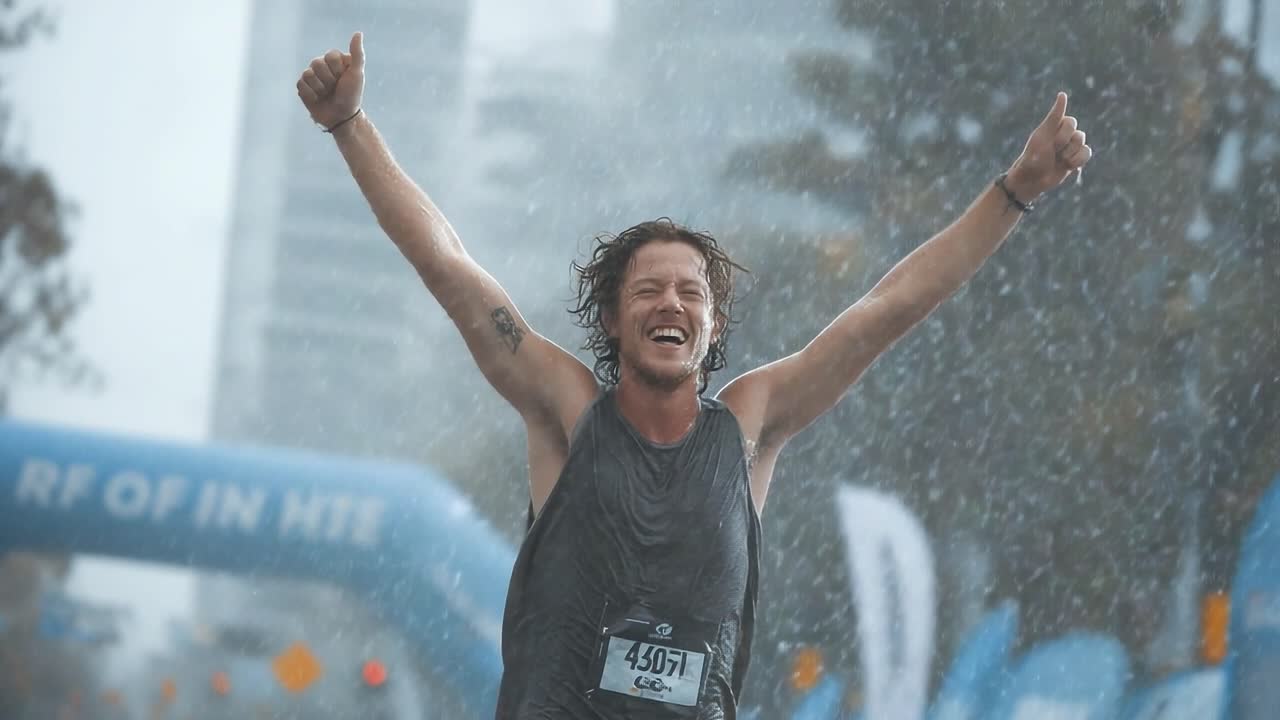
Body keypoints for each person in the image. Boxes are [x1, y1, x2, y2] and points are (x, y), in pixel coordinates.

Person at [296, 32, 1092, 720]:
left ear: (712, 326)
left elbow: (891, 306)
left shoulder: (752, 422)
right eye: (647, 290)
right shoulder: (566, 407)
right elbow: (449, 267)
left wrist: (1016, 191)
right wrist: (349, 125)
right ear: (613, 318)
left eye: (690, 293)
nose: (669, 303)